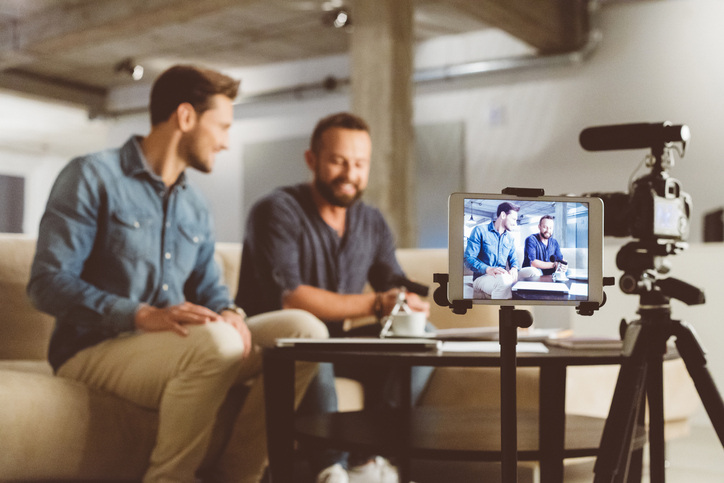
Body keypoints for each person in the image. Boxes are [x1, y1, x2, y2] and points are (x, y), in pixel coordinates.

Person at [27, 65, 328, 483]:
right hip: (93, 352)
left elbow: (210, 288)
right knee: (216, 344)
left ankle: (237, 475)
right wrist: (139, 314)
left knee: (305, 331)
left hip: (172, 349)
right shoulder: (91, 176)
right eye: (221, 126)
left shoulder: (196, 206)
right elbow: (46, 284)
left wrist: (231, 312)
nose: (225, 142)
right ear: (185, 117)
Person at [235, 112, 432, 483]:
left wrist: (414, 296)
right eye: (339, 161)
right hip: (275, 346)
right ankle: (330, 470)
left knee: (421, 335)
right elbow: (291, 299)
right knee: (311, 333)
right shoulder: (275, 210)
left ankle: (364, 456)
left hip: (335, 345)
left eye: (360, 164)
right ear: (312, 160)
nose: (350, 173)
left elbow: (391, 280)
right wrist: (378, 304)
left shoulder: (371, 221)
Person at [464, 201, 537, 299]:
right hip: (483, 277)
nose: (515, 223)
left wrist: (514, 268)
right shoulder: (480, 231)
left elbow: (513, 259)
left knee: (533, 272)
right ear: (503, 215)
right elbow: (468, 259)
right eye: (513, 219)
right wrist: (488, 269)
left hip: (504, 275)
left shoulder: (510, 238)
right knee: (503, 281)